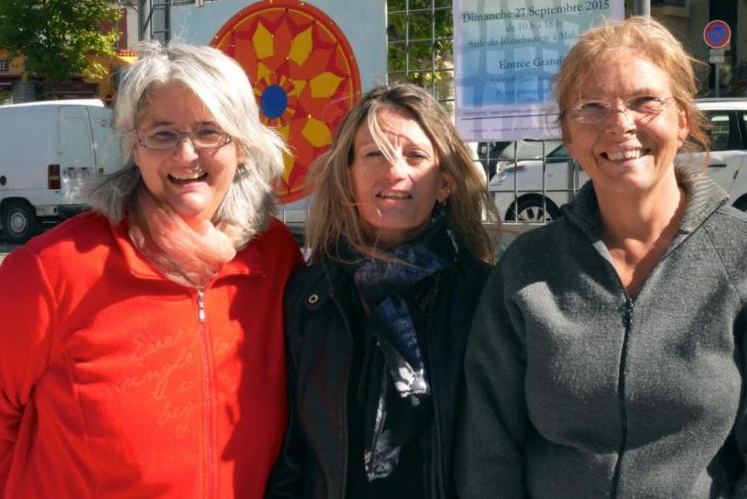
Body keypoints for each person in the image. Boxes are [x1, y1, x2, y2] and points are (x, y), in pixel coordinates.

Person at [455, 16, 747, 498]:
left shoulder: (738, 260)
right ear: (568, 138)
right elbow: (488, 451)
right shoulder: (527, 272)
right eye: (591, 107)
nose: (620, 125)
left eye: (644, 102)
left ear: (684, 120)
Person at [0, 42, 302, 498]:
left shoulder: (275, 257)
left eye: (208, 131)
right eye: (162, 133)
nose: (185, 154)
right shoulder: (52, 270)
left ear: (241, 146)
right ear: (134, 147)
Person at [266, 82, 499, 499]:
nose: (395, 171)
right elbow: (289, 452)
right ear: (348, 175)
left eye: (415, 156)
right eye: (375, 154)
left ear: (444, 182)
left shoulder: (483, 297)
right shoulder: (310, 296)